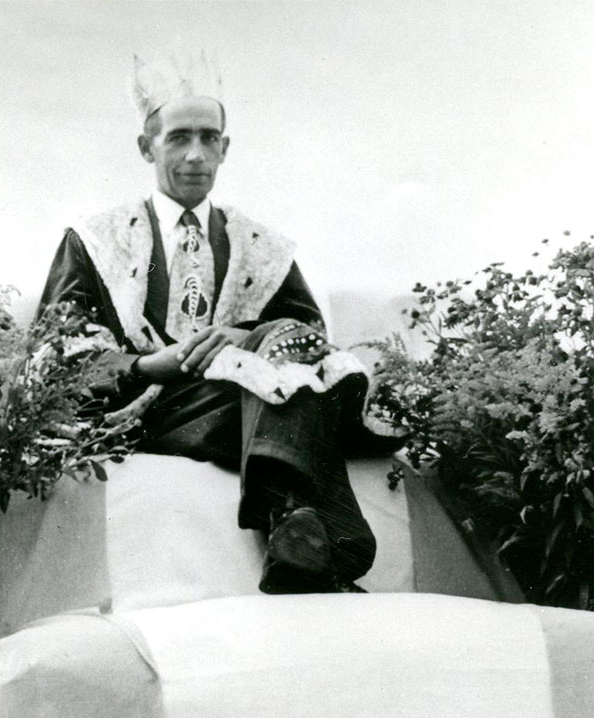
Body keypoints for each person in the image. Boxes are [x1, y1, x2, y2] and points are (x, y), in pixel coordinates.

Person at [37, 52, 399, 593]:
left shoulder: (260, 246)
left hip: (234, 401)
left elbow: (309, 341)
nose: (195, 156)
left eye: (210, 139)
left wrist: (241, 337)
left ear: (226, 148)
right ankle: (321, 539)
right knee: (287, 384)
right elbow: (54, 357)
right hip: (150, 410)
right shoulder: (94, 240)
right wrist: (147, 364)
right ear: (146, 146)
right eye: (179, 138)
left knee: (280, 352)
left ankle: (295, 535)